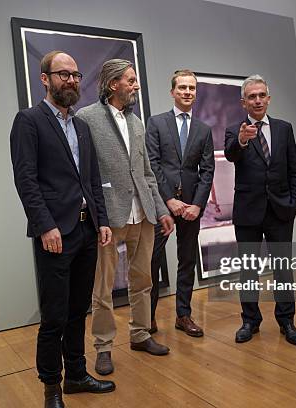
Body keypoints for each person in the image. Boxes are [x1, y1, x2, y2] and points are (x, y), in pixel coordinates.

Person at [10, 51, 115, 408]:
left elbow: (92, 180)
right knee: (54, 315)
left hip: (87, 232)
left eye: (75, 75)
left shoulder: (82, 126)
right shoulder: (28, 121)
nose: (71, 81)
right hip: (55, 235)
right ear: (45, 78)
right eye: (63, 74)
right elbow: (26, 180)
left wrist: (101, 222)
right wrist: (45, 226)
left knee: (77, 310)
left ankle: (76, 375)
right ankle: (51, 389)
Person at [76, 59, 174, 376]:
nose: (136, 85)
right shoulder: (86, 118)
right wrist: (93, 213)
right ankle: (103, 348)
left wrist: (161, 210)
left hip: (142, 214)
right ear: (113, 83)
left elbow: (146, 173)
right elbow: (83, 172)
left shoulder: (137, 122)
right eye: (131, 80)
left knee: (143, 279)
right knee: (102, 288)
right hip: (107, 217)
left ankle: (141, 334)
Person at [224, 74, 296, 346]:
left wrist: (295, 205)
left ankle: (287, 321)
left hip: (281, 211)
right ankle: (250, 321)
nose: (257, 100)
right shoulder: (235, 130)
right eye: (251, 97)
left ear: (268, 99)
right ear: (243, 102)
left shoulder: (284, 128)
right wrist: (243, 141)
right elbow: (232, 154)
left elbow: (294, 169)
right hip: (248, 212)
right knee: (248, 270)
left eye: (261, 95)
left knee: (283, 269)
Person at [146, 69, 214, 337]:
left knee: (187, 261)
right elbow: (152, 164)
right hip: (163, 205)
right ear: (173, 91)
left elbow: (207, 170)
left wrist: (197, 205)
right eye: (182, 87)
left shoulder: (204, 129)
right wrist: (169, 200)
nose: (187, 92)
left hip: (191, 208)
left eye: (192, 88)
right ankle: (147, 318)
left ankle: (183, 316)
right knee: (152, 260)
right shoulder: (156, 123)